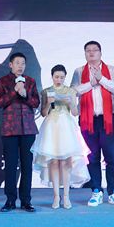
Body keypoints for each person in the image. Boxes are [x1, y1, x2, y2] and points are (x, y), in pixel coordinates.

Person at [70, 41, 114, 207]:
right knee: (92, 156)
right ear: (84, 54)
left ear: (101, 53)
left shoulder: (111, 69)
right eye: (88, 50)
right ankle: (96, 191)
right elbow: (73, 91)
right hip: (87, 120)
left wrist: (101, 79)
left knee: (112, 156)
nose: (91, 53)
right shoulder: (79, 71)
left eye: (95, 50)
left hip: (108, 119)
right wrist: (91, 84)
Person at [31, 64, 90, 210]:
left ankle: (66, 196)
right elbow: (43, 113)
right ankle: (56, 196)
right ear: (52, 77)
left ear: (65, 77)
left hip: (66, 127)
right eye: (56, 77)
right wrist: (48, 103)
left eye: (62, 77)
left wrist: (71, 103)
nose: (59, 80)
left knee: (66, 162)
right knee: (53, 162)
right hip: (51, 127)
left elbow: (75, 113)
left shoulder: (70, 91)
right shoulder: (46, 92)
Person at [0, 52, 40, 212]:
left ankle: (26, 201)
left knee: (27, 166)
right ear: (11, 65)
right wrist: (14, 91)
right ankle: (10, 200)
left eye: (23, 63)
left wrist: (25, 94)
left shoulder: (30, 81)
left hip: (28, 129)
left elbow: (36, 102)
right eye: (17, 63)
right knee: (11, 166)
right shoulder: (2, 81)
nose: (20, 66)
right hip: (9, 130)